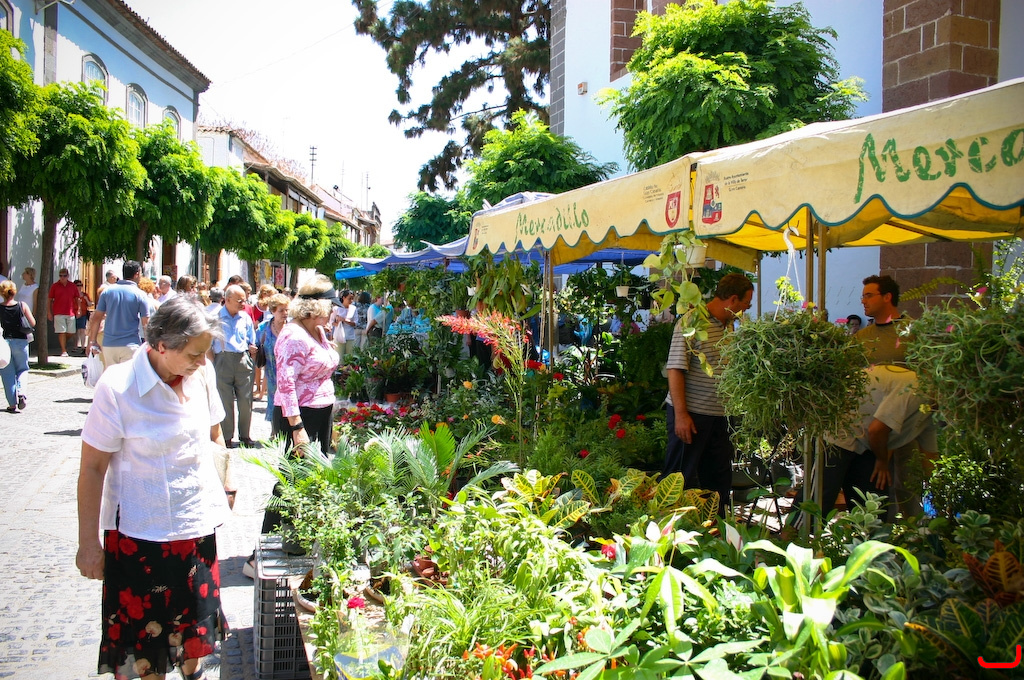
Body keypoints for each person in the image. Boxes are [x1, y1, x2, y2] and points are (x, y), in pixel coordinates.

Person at [76, 297, 230, 680]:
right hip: (141, 537)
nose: (202, 362)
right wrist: (88, 543)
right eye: (194, 354)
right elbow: (92, 468)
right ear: (162, 345)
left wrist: (227, 481)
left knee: (194, 631)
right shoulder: (118, 387)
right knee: (149, 645)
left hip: (195, 529)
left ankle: (194, 673)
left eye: (205, 353)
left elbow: (215, 433)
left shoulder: (202, 373)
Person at [243, 276, 341, 578]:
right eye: (331, 306)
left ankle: (299, 541)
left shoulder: (317, 331)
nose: (334, 311)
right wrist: (297, 427)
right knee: (289, 481)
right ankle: (257, 556)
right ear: (315, 308)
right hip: (299, 417)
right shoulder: (293, 335)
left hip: (318, 413)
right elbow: (285, 385)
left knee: (309, 479)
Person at [662, 273, 754, 517]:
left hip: (720, 417)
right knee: (679, 479)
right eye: (746, 304)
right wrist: (681, 415)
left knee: (718, 481)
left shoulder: (729, 325)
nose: (746, 310)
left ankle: (716, 529)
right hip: (692, 415)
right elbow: (675, 369)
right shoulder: (692, 322)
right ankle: (669, 529)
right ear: (732, 300)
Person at [822, 365, 937, 518]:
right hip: (840, 426)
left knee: (873, 499)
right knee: (822, 495)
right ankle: (795, 532)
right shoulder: (915, 389)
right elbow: (877, 430)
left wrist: (937, 489)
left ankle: (870, 532)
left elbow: (930, 456)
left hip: (867, 441)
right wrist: (882, 460)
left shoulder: (930, 411)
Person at [212, 284, 258, 448]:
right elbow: (208, 344)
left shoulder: (245, 317)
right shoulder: (215, 317)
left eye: (244, 301)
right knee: (225, 400)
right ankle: (226, 436)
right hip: (222, 359)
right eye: (239, 301)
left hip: (242, 359)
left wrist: (252, 349)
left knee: (246, 400)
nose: (243, 304)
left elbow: (251, 338)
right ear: (228, 299)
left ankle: (245, 435)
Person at [88, 261, 151, 370]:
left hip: (109, 344)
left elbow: (96, 318)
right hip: (130, 344)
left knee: (112, 377)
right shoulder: (140, 294)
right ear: (137, 274)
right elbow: (146, 323)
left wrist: (92, 341)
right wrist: (148, 344)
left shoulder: (107, 292)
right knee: (128, 377)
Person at [856, 274, 910, 366]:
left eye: (869, 296)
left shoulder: (914, 331)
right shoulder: (860, 336)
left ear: (887, 297)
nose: (863, 301)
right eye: (863, 297)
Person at [256, 294, 290, 436]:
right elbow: (256, 344)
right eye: (281, 310)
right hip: (271, 372)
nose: (285, 313)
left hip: (289, 373)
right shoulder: (263, 328)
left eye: (287, 310)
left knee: (289, 401)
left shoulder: (292, 327)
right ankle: (274, 431)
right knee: (273, 402)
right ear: (273, 311)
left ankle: (289, 430)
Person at [0, 280, 34, 413]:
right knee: (23, 369)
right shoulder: (22, 305)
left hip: (4, 343)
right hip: (21, 341)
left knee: (7, 372)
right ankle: (22, 393)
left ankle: (12, 404)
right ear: (14, 291)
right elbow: (33, 322)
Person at [48, 266, 80, 357]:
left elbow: (77, 298)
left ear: (68, 276)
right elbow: (49, 300)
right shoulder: (55, 286)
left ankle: (63, 342)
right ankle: (63, 350)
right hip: (58, 312)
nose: (62, 277)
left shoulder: (72, 286)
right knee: (62, 331)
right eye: (60, 276)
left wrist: (79, 309)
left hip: (70, 312)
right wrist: (49, 312)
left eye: (64, 276)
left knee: (71, 332)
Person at [329, 289, 357, 359]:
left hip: (350, 336)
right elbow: (331, 322)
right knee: (339, 357)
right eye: (349, 299)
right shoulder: (336, 309)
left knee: (350, 357)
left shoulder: (353, 309)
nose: (351, 301)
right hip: (339, 336)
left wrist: (344, 320)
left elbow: (355, 323)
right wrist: (338, 323)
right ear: (344, 298)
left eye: (352, 299)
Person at [73, 279, 93, 353]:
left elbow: (90, 304)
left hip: (83, 314)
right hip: (74, 314)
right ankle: (75, 346)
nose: (79, 287)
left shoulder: (85, 295)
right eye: (77, 285)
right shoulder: (73, 295)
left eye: (80, 285)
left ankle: (82, 346)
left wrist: (86, 299)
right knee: (75, 331)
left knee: (82, 330)